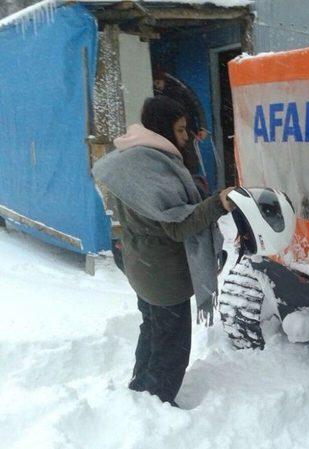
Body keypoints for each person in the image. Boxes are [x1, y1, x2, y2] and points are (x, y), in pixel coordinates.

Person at [92, 96, 234, 406]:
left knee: (153, 331)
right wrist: (218, 204)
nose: (186, 137)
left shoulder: (132, 157)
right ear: (162, 128)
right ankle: (156, 405)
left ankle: (139, 393)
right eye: (181, 130)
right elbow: (177, 223)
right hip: (163, 278)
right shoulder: (151, 167)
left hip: (144, 266)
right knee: (172, 349)